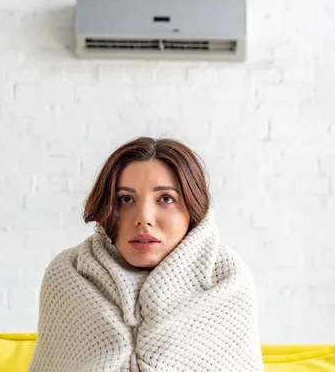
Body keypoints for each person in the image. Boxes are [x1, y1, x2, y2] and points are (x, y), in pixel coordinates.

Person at [29, 136, 263, 372]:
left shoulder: (225, 277)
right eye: (126, 199)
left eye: (166, 199)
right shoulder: (69, 273)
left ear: (193, 209)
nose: (144, 218)